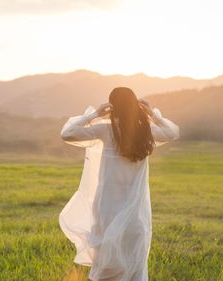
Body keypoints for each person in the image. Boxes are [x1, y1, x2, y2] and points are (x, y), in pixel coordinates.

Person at [59, 87, 180, 281]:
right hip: (135, 208)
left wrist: (94, 115)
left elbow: (67, 133)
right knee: (133, 255)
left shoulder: (105, 128)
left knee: (106, 254)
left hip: (106, 205)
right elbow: (172, 132)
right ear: (135, 105)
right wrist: (152, 115)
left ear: (112, 106)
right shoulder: (145, 130)